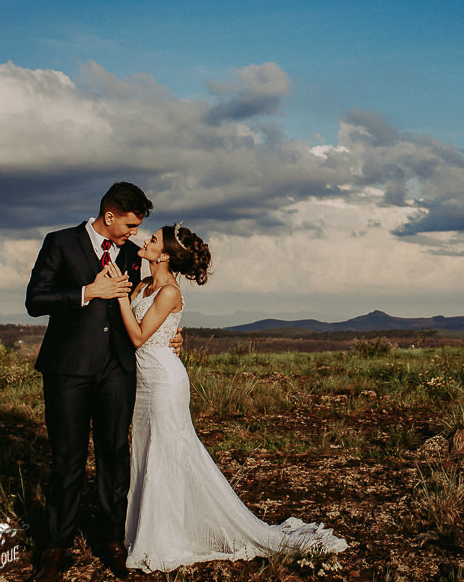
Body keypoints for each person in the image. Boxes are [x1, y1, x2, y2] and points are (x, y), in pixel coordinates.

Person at [108, 222, 347, 572]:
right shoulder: (143, 284)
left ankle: (164, 537)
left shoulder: (170, 291)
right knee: (146, 452)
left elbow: (138, 336)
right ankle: (147, 529)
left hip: (164, 382)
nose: (147, 240)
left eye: (154, 239)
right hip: (143, 383)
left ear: (166, 255)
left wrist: (118, 295)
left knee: (167, 454)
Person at [25, 182, 180, 581]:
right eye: (129, 225)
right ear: (109, 217)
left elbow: (161, 296)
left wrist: (173, 335)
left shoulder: (131, 254)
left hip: (118, 370)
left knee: (114, 455)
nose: (134, 234)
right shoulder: (59, 243)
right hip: (68, 370)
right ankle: (57, 548)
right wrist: (88, 292)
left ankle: (113, 541)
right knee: (68, 458)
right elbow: (35, 300)